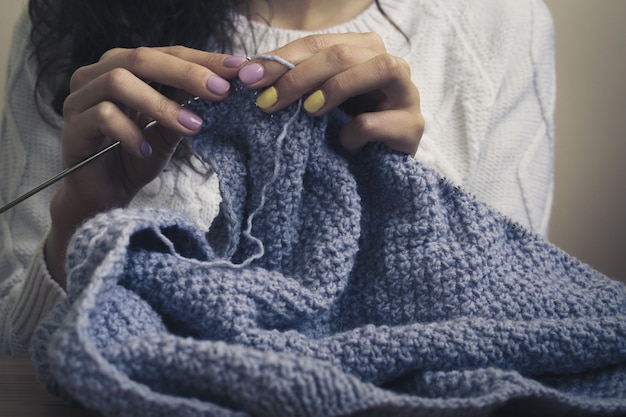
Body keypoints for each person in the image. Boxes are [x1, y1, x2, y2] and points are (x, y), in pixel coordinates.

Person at [0, 0, 555, 355]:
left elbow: (520, 340)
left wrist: (402, 194)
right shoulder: (72, 16)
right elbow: (15, 351)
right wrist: (84, 215)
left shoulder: (500, 22)